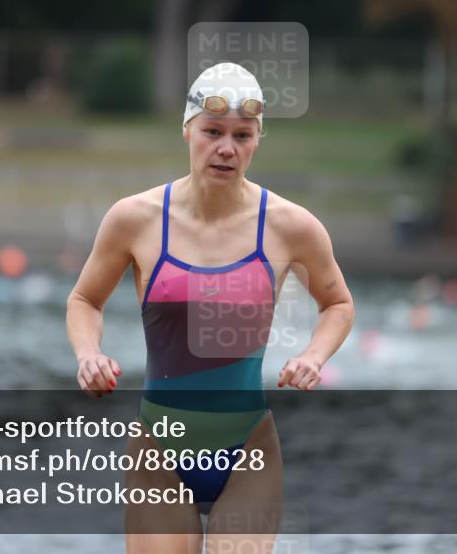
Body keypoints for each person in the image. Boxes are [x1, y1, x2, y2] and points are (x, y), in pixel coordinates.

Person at [65, 62, 355, 554]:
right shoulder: (135, 219)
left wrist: (313, 357)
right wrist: (88, 354)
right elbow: (84, 300)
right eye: (213, 131)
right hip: (160, 447)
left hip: (249, 449)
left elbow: (338, 304)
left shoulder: (291, 226)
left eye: (242, 135)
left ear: (258, 141)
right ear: (187, 130)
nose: (226, 147)